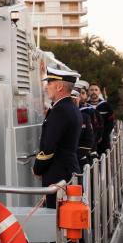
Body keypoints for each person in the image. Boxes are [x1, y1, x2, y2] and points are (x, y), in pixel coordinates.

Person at [33, 67, 82, 209]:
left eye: (49, 82)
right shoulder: (69, 107)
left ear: (59, 86)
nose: (46, 86)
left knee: (56, 216)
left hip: (58, 174)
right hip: (67, 170)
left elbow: (48, 148)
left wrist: (37, 169)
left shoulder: (60, 110)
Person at [75, 80, 102, 155]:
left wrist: (92, 145)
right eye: (78, 93)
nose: (80, 95)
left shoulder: (91, 111)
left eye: (83, 93)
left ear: (86, 95)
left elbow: (98, 130)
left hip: (88, 149)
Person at [72, 88, 97, 169]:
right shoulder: (58, 117)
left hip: (80, 158)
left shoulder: (85, 117)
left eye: (75, 100)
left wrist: (76, 155)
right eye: (71, 100)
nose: (74, 102)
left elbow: (89, 140)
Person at [87, 83, 115, 154]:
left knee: (104, 159)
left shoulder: (106, 106)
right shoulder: (85, 106)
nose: (94, 92)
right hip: (88, 141)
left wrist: (102, 136)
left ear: (99, 92)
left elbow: (110, 123)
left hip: (103, 141)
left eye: (96, 90)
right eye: (91, 90)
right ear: (88, 92)